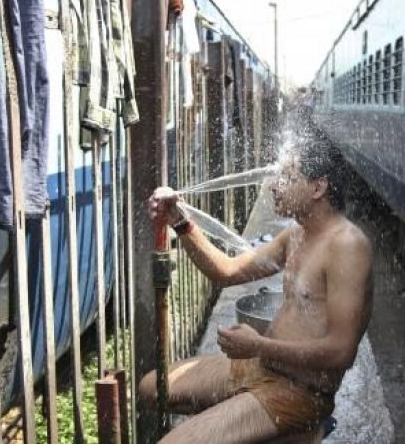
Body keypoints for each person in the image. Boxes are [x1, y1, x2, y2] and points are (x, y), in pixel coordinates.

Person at [141, 128, 374, 443]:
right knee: (152, 387)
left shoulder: (348, 246)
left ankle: (301, 428)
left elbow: (341, 352)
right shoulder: (295, 236)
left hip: (298, 391)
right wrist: (180, 221)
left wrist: (258, 345)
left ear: (318, 187)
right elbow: (227, 271)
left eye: (287, 178)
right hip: (259, 366)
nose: (273, 186)